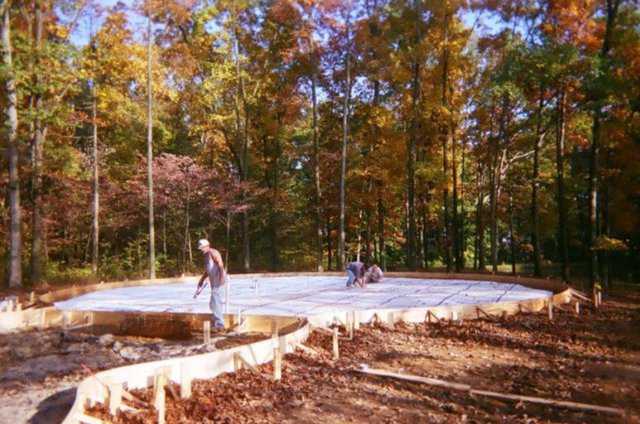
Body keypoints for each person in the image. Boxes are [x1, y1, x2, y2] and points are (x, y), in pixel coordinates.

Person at [194, 239, 227, 330]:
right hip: (214, 281)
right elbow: (208, 270)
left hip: (219, 280)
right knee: (213, 303)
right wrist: (202, 279)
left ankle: (219, 324)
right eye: (200, 248)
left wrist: (221, 277)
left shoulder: (213, 252)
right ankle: (216, 322)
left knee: (215, 301)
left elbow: (220, 264)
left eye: (202, 248)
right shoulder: (206, 256)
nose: (201, 250)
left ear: (207, 246)